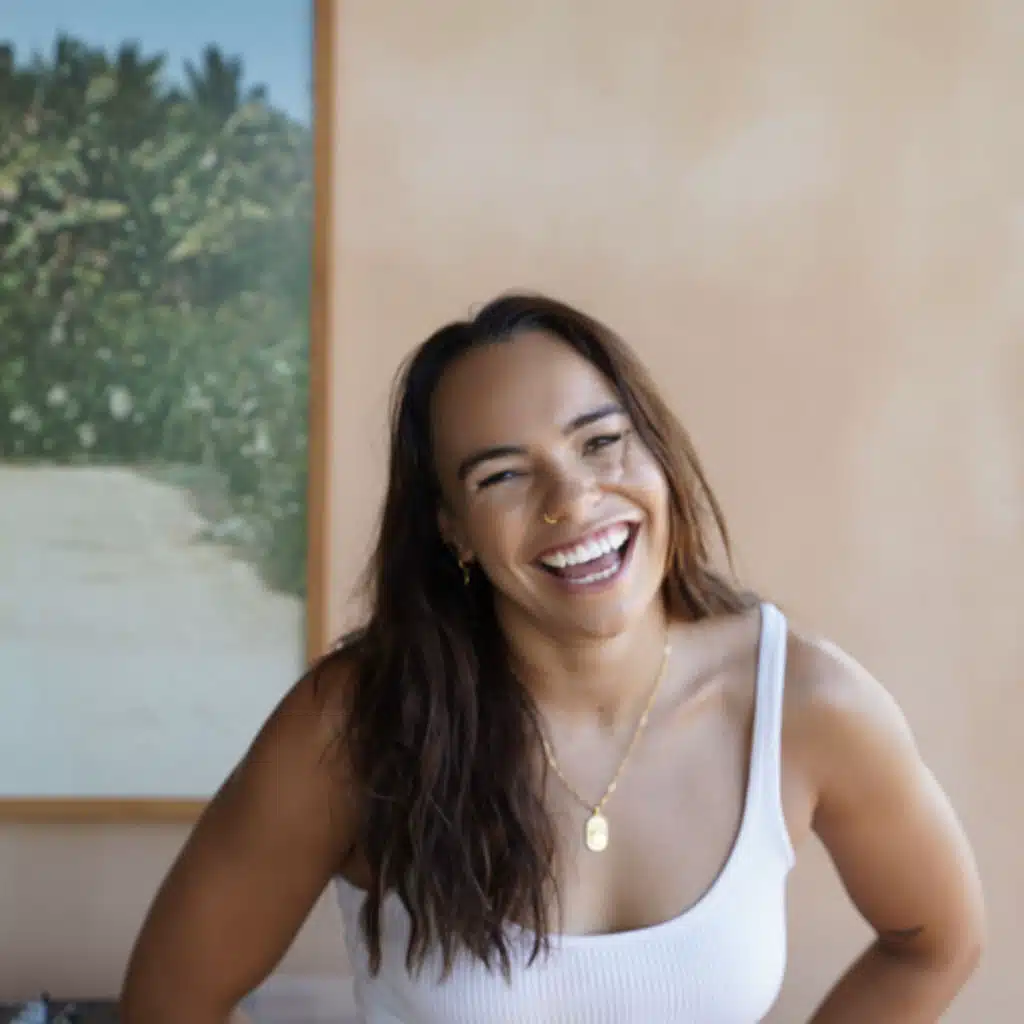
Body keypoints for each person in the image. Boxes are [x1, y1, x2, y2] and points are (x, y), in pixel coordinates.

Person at [120, 294, 985, 1023]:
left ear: (656, 452)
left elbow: (936, 942)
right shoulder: (355, 723)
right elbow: (167, 1004)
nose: (572, 500)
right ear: (452, 529)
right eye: (502, 475)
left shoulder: (801, 703)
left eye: (601, 442)